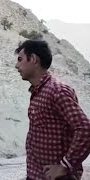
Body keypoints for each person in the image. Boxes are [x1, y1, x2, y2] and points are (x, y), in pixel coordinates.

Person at [14, 40, 90, 180]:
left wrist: (64, 166)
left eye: (20, 59)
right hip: (36, 174)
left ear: (34, 59)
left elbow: (85, 129)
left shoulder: (57, 91)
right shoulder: (38, 92)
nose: (16, 65)